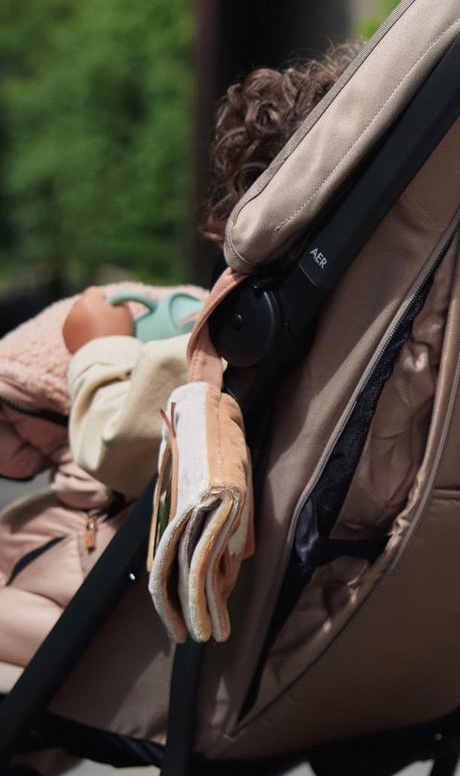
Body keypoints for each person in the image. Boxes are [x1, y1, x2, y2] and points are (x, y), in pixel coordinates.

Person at [0, 44, 356, 678]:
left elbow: (118, 444)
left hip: (137, 642)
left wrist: (99, 344)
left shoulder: (237, 346)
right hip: (316, 659)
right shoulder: (369, 334)